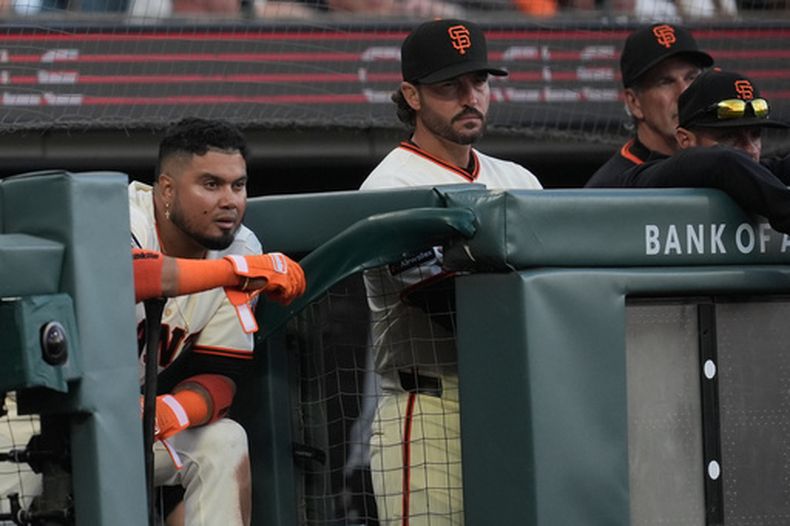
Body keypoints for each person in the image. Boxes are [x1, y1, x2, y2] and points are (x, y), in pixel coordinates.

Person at [359, 19, 542, 525]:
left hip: (512, 401)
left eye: (479, 83)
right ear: (411, 96)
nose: (470, 97)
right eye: (449, 87)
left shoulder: (519, 180)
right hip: (429, 406)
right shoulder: (390, 185)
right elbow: (447, 304)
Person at [130, 117, 306, 526]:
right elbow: (135, 277)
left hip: (128, 423)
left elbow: (219, 377)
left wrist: (170, 413)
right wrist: (237, 273)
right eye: (211, 185)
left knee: (222, 440)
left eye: (238, 185)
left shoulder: (241, 247)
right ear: (167, 189)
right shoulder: (124, 216)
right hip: (32, 418)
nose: (230, 201)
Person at [587, 68, 790, 234]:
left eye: (755, 134)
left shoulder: (747, 170)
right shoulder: (649, 177)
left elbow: (770, 167)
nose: (750, 149)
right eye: (729, 137)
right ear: (685, 140)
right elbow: (722, 162)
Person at [590, 22, 713, 184]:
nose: (685, 93)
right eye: (666, 82)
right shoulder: (611, 189)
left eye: (691, 77)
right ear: (634, 103)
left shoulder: (719, 164)